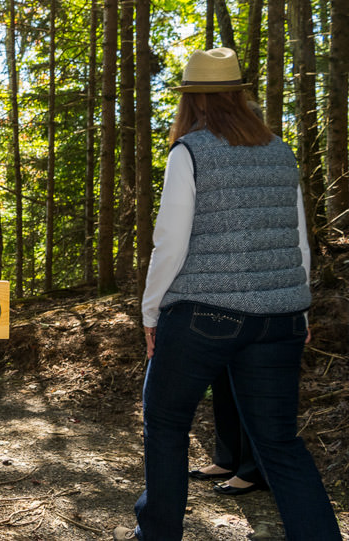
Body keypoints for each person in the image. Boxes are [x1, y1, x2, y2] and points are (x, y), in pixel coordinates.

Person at [114, 48, 341, 540]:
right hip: (279, 317)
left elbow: (170, 244)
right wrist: (296, 308)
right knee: (279, 443)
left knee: (166, 423)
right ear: (240, 95)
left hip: (204, 316)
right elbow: (298, 238)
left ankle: (157, 535)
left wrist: (151, 312)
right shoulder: (281, 151)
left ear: (191, 101)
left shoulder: (190, 151)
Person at [188, 100, 270, 497]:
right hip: (216, 295)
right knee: (220, 379)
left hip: (256, 297)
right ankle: (227, 456)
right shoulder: (213, 162)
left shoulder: (264, 164)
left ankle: (254, 470)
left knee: (248, 386)